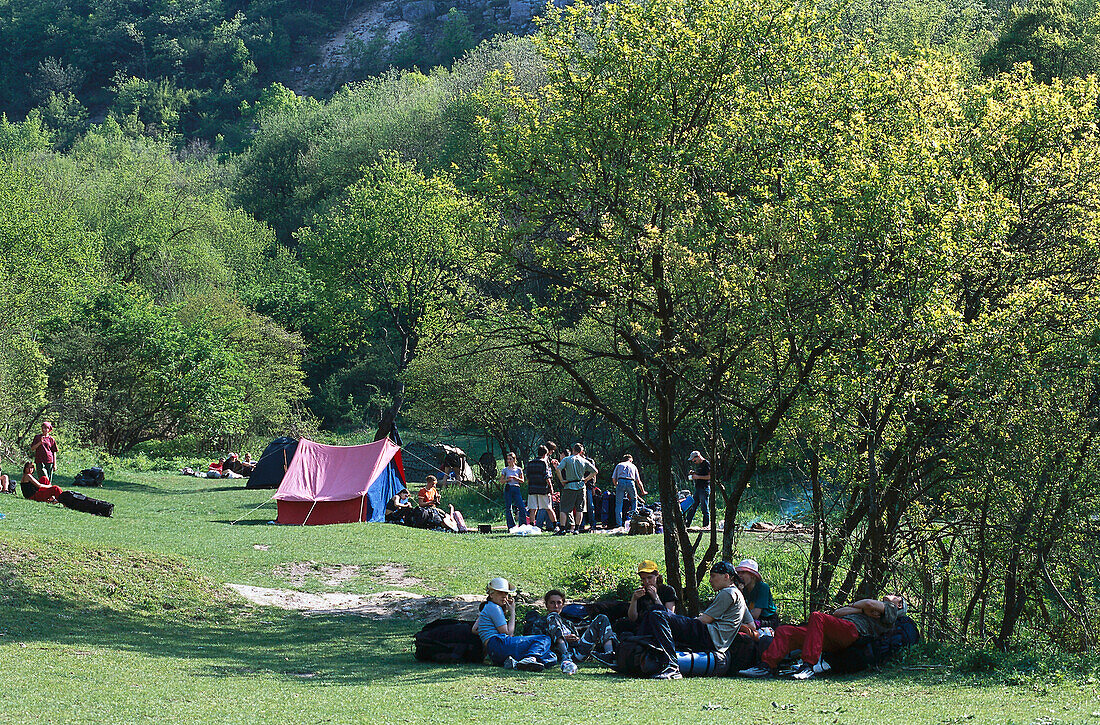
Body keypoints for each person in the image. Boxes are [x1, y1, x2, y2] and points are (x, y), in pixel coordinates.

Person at [739, 594, 906, 680]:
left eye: (896, 596)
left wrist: (862, 607)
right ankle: (766, 666)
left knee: (817, 616)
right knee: (785, 631)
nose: (892, 594)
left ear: (899, 604)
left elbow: (869, 604)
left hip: (852, 632)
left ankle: (808, 666)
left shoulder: (892, 610)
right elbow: (838, 612)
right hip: (833, 634)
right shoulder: (875, 610)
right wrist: (861, 610)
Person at [636, 560, 753, 679]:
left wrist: (682, 622)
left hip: (709, 635)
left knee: (658, 614)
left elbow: (704, 620)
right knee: (659, 613)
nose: (710, 580)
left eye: (713, 576)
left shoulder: (728, 592)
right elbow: (751, 625)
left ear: (726, 576)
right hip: (716, 640)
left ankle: (671, 666)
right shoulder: (739, 596)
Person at [476, 577, 556, 672]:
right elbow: (508, 633)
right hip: (498, 644)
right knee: (544, 638)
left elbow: (475, 629)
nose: (504, 596)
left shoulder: (488, 607)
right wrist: (512, 611)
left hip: (495, 651)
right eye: (500, 592)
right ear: (491, 594)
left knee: (551, 656)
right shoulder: (494, 608)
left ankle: (517, 663)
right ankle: (529, 659)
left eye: (506, 593)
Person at [615, 560, 679, 635]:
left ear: (657, 575)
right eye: (643, 579)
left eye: (649, 578)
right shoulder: (641, 593)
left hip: (660, 627)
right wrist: (634, 600)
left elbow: (670, 616)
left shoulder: (667, 590)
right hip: (641, 626)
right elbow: (633, 618)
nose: (647, 582)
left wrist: (655, 598)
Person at [557, 443, 597, 535]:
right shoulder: (584, 461)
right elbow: (595, 471)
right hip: (581, 485)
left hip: (569, 486)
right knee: (580, 508)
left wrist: (562, 480)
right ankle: (577, 529)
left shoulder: (567, 459)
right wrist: (586, 479)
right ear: (581, 451)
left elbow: (558, 469)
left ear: (573, 449)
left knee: (564, 508)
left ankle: (562, 529)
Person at [735, 559, 779, 628]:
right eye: (738, 573)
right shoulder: (743, 589)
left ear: (752, 575)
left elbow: (755, 615)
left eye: (743, 572)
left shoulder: (763, 588)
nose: (739, 575)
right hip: (749, 617)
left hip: (767, 619)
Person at [525, 446, 557, 531]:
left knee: (533, 508)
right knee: (548, 508)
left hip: (532, 488)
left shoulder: (530, 463)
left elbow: (527, 477)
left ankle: (532, 527)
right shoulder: (543, 463)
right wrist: (551, 488)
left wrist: (530, 485)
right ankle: (555, 525)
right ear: (545, 454)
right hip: (542, 489)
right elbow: (547, 477)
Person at [612, 454, 647, 528]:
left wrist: (616, 485)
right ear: (630, 460)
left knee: (619, 504)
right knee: (634, 501)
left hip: (620, 481)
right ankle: (633, 522)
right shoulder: (633, 466)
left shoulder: (619, 465)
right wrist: (642, 491)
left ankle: (619, 524)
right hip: (630, 481)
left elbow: (614, 478)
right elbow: (638, 480)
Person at [499, 452, 527, 529]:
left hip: (516, 488)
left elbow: (522, 480)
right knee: (508, 507)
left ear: (514, 460)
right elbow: (501, 481)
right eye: (508, 459)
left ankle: (523, 524)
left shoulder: (518, 469)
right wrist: (507, 479)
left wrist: (515, 478)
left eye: (510, 459)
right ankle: (511, 525)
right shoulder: (505, 470)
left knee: (521, 506)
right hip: (508, 488)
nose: (509, 461)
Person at [684, 450, 711, 527]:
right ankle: (686, 524)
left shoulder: (707, 464)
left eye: (694, 460)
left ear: (698, 457)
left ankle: (706, 526)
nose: (693, 461)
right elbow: (701, 474)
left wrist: (697, 477)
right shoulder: (700, 465)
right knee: (692, 506)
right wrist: (694, 473)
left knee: (704, 508)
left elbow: (710, 476)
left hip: (704, 488)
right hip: (698, 489)